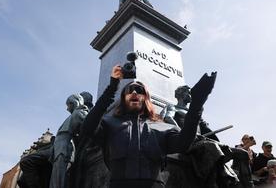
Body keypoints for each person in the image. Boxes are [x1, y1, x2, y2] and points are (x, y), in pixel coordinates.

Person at [81, 65, 216, 188]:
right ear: (123, 99)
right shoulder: (109, 123)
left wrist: (196, 104)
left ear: (145, 98)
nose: (134, 92)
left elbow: (183, 143)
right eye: (129, 90)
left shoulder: (163, 126)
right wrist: (111, 89)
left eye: (139, 90)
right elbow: (87, 128)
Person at [49, 94, 89, 188]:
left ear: (75, 102)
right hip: (60, 149)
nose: (67, 109)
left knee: (60, 179)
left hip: (65, 148)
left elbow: (89, 125)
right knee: (57, 178)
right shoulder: (74, 114)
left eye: (69, 105)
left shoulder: (79, 112)